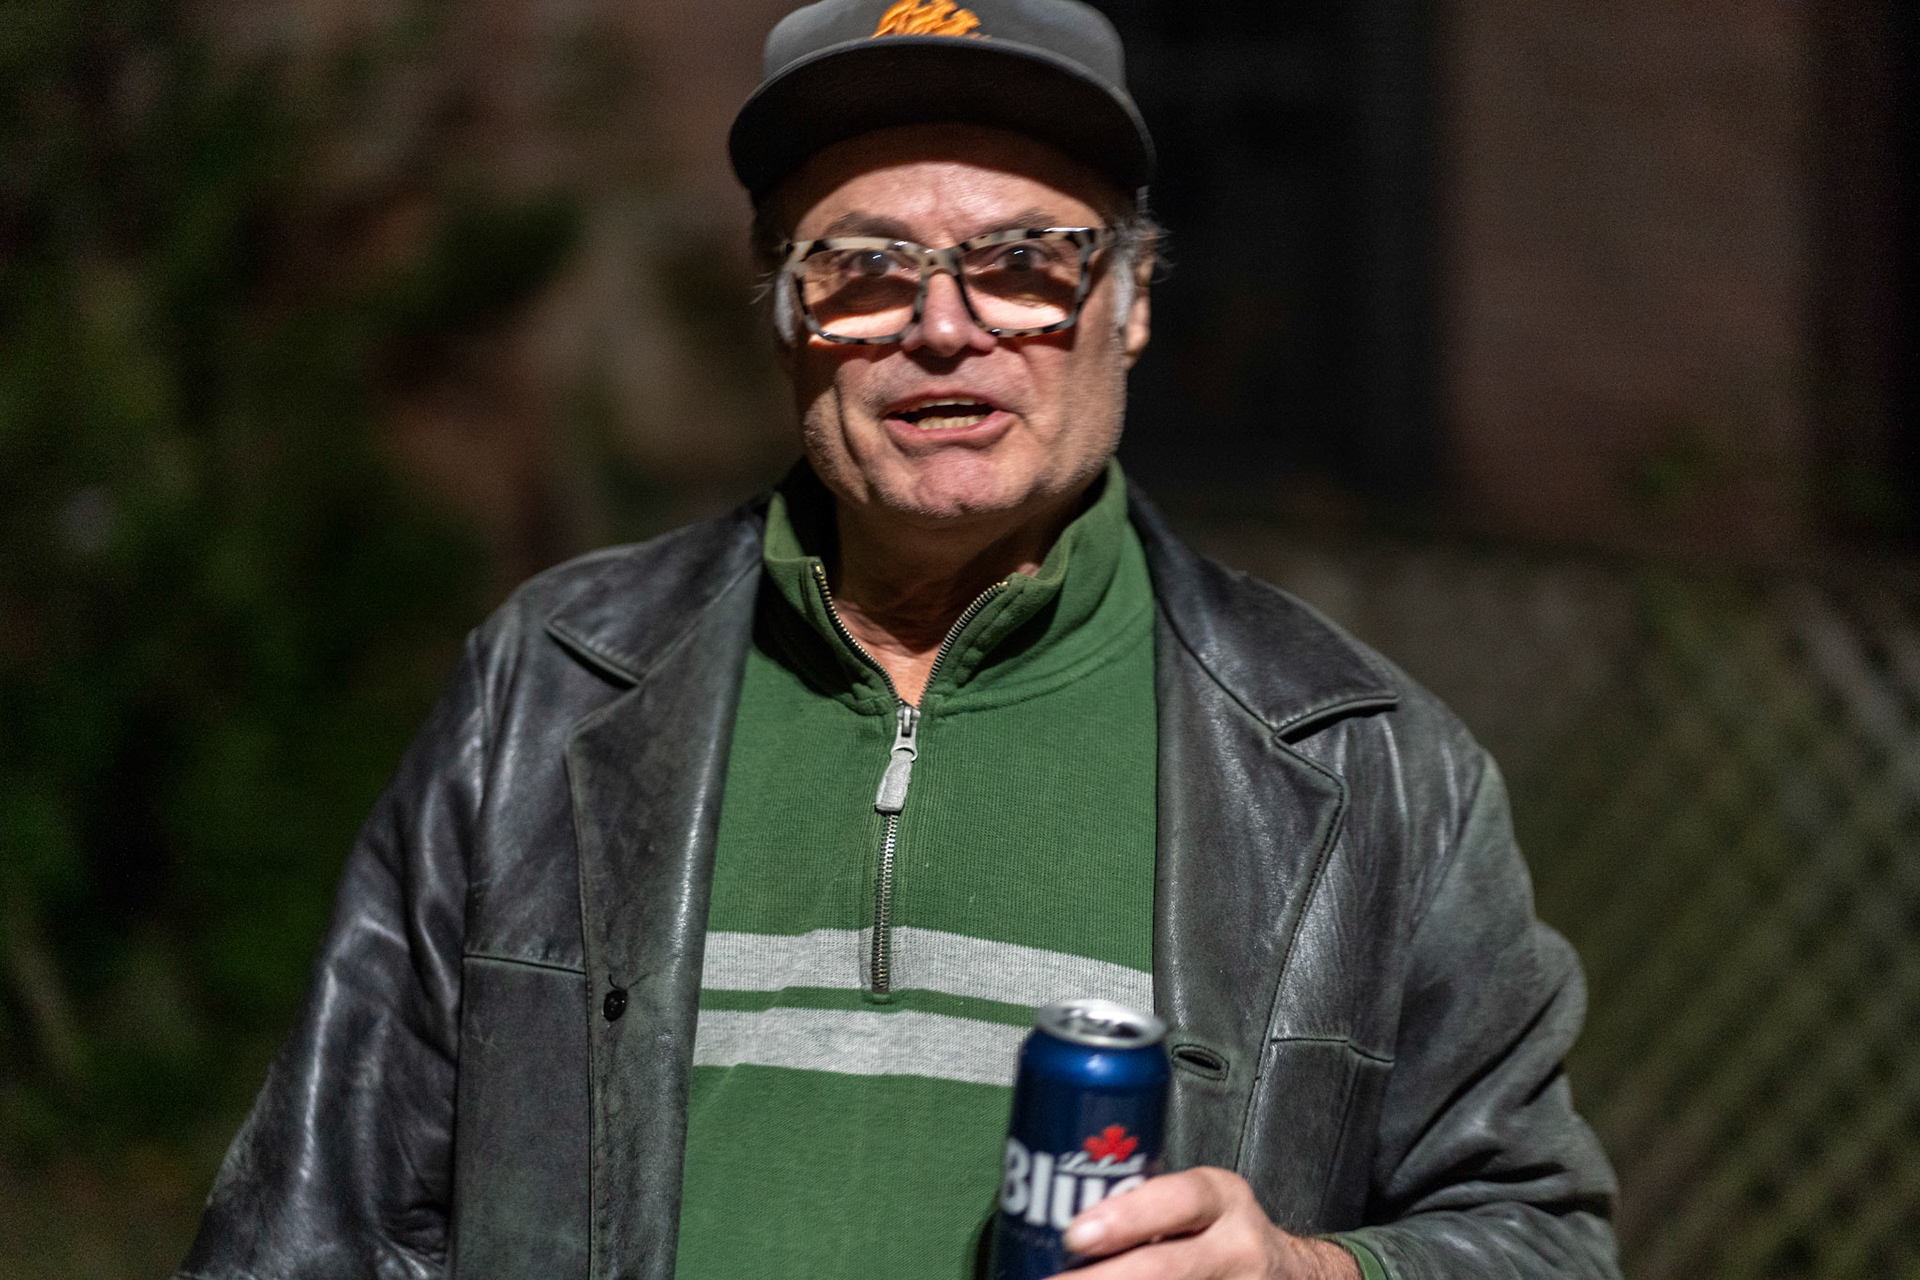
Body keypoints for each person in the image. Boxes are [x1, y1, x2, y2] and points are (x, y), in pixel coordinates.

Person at [178, 1, 1620, 1277]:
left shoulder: (1365, 768)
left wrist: (1304, 1274)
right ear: (783, 313)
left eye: (1026, 260)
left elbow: (1540, 1238)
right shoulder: (548, 687)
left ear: (1129, 305)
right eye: (864, 267)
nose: (942, 327)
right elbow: (313, 1225)